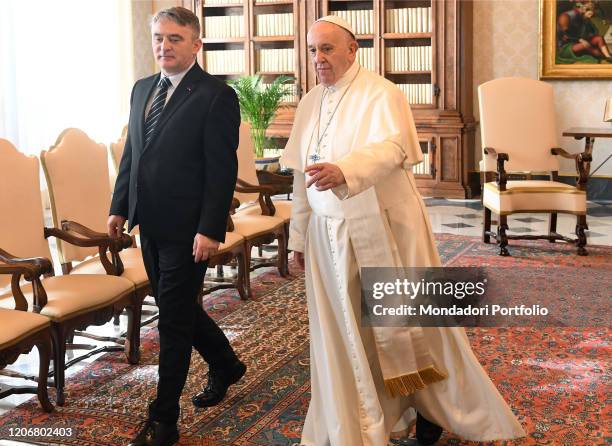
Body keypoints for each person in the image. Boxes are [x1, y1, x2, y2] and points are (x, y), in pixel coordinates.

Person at [281, 16, 526, 446]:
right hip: (327, 235)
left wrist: (346, 170)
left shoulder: (382, 92)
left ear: (353, 49)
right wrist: (299, 238)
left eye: (328, 48)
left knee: (416, 325)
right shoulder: (310, 102)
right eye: (313, 50)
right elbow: (302, 180)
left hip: (387, 228)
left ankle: (436, 408)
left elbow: (393, 147)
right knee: (344, 333)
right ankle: (364, 416)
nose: (318, 58)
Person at [108, 7, 245, 446]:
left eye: (174, 39)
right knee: (180, 308)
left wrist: (209, 229)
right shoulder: (142, 88)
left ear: (196, 43)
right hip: (150, 223)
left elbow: (221, 171)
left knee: (171, 320)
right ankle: (226, 363)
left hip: (189, 232)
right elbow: (134, 152)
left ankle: (164, 419)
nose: (164, 46)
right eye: (158, 38)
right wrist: (119, 206)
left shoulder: (214, 95)